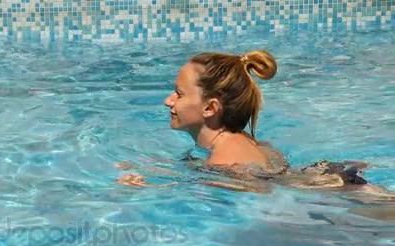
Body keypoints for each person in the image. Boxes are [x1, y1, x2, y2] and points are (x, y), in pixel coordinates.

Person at [116, 50, 395, 207]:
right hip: (330, 177)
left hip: (337, 194)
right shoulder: (238, 142)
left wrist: (153, 186)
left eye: (178, 93)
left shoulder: (225, 155)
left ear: (210, 108)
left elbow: (251, 192)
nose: (168, 100)